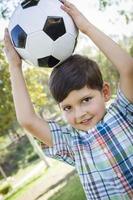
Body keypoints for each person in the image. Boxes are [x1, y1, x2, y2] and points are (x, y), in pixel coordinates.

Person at [4, 1, 133, 199]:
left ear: (105, 92)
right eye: (67, 108)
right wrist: (14, 66)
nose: (79, 113)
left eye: (86, 99)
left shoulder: (124, 113)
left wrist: (87, 28)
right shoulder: (72, 144)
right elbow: (27, 120)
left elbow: (128, 69)